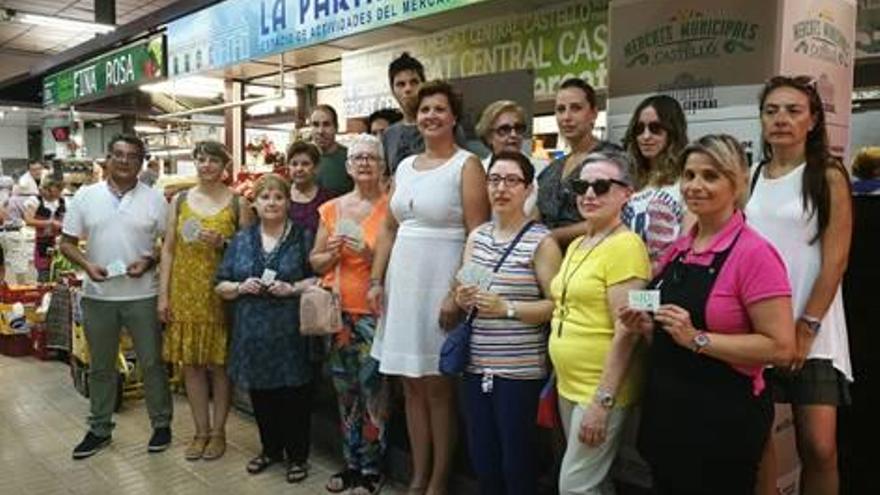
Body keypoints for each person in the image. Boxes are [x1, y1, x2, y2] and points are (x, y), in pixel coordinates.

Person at [619, 134, 795, 495]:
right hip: (668, 412)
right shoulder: (679, 249)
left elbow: (780, 347)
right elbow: (667, 328)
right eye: (689, 175)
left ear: (737, 182)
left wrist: (697, 339)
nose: (695, 186)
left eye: (710, 176)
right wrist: (647, 326)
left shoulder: (755, 254)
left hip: (722, 419)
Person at [369, 80, 490, 495]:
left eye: (440, 109)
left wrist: (459, 292)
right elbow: (388, 227)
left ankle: (439, 479)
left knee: (439, 388)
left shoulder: (468, 165)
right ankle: (418, 474)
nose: (431, 116)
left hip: (442, 283)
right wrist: (375, 280)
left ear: (454, 117)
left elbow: (480, 236)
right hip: (402, 284)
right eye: (424, 110)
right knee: (411, 384)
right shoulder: (404, 166)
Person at [747, 75, 853, 495]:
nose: (781, 119)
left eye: (793, 111)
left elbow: (836, 259)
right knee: (760, 443)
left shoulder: (827, 175)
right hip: (758, 328)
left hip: (816, 329)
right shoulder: (752, 176)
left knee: (819, 446)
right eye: (772, 111)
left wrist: (806, 326)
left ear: (812, 120)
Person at [453, 151, 562, 495]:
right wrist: (461, 298)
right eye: (494, 180)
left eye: (512, 181)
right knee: (482, 455)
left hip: (520, 370)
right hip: (475, 363)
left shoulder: (541, 241)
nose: (501, 188)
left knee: (517, 459)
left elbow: (558, 306)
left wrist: (508, 308)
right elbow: (463, 288)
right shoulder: (478, 236)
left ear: (528, 189)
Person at [59, 134, 173, 460]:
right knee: (101, 367)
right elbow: (66, 242)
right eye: (118, 155)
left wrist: (148, 260)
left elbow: (167, 246)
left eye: (132, 156)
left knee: (151, 363)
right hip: (98, 295)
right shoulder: (85, 196)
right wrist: (86, 265)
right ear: (107, 158)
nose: (124, 161)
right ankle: (99, 429)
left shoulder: (155, 200)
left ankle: (161, 424)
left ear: (141, 162)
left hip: (144, 295)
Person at [547, 150, 650, 494]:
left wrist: (602, 402)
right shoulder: (578, 242)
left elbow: (628, 332)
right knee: (595, 483)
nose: (589, 194)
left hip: (599, 387)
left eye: (602, 186)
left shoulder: (626, 246)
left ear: (626, 193)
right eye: (582, 186)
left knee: (575, 486)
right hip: (569, 383)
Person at [215, 174, 315, 483]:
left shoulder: (304, 236)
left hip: (290, 331)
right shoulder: (242, 239)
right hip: (253, 331)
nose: (272, 203)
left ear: (288, 202)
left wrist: (293, 288)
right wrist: (241, 286)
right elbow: (220, 284)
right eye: (265, 197)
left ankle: (297, 456)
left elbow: (318, 278)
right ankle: (270, 449)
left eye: (278, 197)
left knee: (294, 395)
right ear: (255, 203)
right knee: (261, 394)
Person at [310, 134, 390, 495]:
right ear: (347, 165)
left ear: (382, 164)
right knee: (345, 393)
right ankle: (351, 463)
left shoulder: (394, 207)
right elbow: (314, 260)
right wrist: (332, 253)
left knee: (374, 390)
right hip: (338, 313)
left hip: (377, 312)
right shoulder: (332, 209)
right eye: (357, 157)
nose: (363, 163)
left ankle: (373, 466)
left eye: (371, 157)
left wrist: (370, 253)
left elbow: (399, 264)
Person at [158, 141, 245, 462]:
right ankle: (200, 431)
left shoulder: (238, 202)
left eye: (212, 160)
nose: (206, 165)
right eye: (200, 160)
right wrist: (164, 295)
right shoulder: (179, 201)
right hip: (185, 291)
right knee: (191, 365)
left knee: (220, 365)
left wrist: (224, 241)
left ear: (224, 165)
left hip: (221, 294)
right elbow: (168, 249)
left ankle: (219, 431)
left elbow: (249, 249)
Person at [536, 78, 619, 248]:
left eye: (576, 108)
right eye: (560, 109)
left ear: (593, 113)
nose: (566, 117)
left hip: (592, 259)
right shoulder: (551, 169)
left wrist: (552, 237)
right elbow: (536, 214)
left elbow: (617, 217)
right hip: (545, 261)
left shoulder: (612, 158)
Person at [621, 94, 692, 264]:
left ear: (673, 131)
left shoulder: (687, 179)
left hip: (667, 279)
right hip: (626, 278)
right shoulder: (627, 180)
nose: (646, 136)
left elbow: (689, 244)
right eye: (639, 129)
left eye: (655, 128)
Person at [382, 53, 468, 175]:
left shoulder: (446, 127)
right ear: (392, 90)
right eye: (401, 84)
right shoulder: (389, 135)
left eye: (414, 82)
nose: (408, 89)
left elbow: (462, 168)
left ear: (423, 84)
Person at [475, 100, 538, 216]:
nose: (513, 135)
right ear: (489, 136)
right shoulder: (477, 172)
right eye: (504, 130)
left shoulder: (541, 170)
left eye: (518, 128)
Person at [287, 140, 335, 236]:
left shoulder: (328, 200)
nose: (299, 169)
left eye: (305, 164)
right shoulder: (281, 195)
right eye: (294, 164)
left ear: (316, 167)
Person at [23, 177, 65, 282]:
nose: (55, 195)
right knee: (44, 273)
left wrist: (62, 225)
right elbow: (28, 220)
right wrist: (49, 223)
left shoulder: (62, 201)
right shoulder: (34, 201)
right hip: (42, 242)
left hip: (59, 241)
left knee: (60, 273)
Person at [311, 104, 353, 197]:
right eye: (315, 125)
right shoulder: (304, 160)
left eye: (326, 124)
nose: (320, 131)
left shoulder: (350, 158)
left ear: (336, 127)